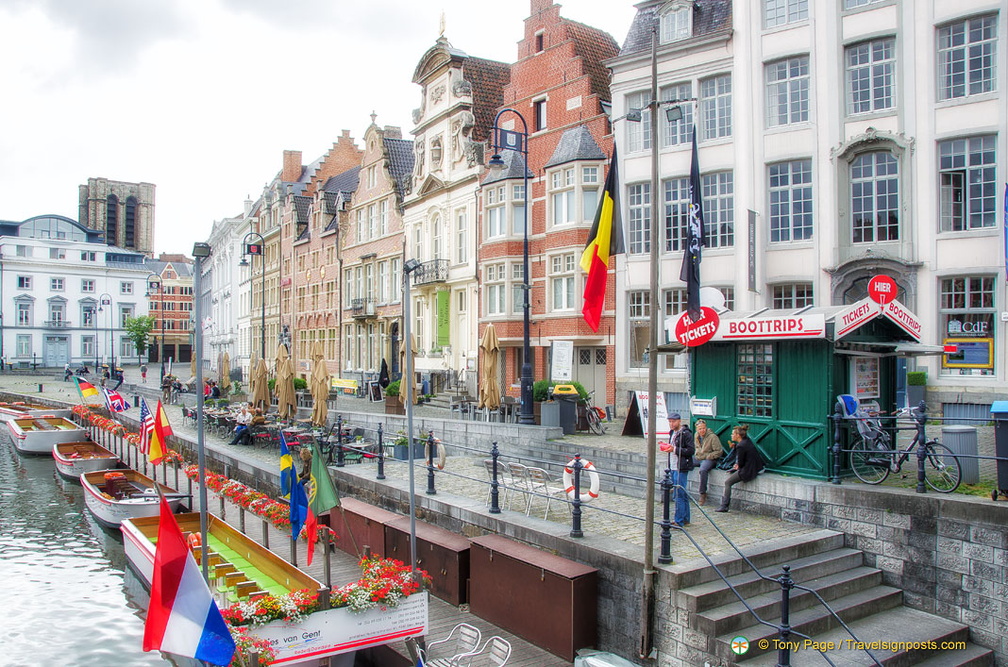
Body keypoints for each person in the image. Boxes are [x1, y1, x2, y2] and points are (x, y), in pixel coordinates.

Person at [716, 424, 765, 513]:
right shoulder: (746, 441)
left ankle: (724, 506)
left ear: (738, 435)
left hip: (749, 470)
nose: (731, 435)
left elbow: (741, 462)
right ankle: (724, 506)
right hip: (756, 466)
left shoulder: (741, 446)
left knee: (728, 482)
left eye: (733, 434)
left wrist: (737, 466)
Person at [659, 412, 694, 527]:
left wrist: (674, 449)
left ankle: (679, 520)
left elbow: (690, 451)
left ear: (679, 421)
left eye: (673, 421)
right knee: (681, 493)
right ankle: (685, 518)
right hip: (673, 466)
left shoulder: (686, 434)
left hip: (681, 466)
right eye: (669, 421)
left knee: (678, 494)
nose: (671, 424)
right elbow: (673, 446)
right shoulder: (672, 433)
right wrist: (665, 445)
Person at [693, 419, 723, 506]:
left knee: (703, 470)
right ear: (697, 430)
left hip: (709, 459)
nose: (702, 430)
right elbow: (697, 448)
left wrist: (708, 456)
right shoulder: (696, 436)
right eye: (700, 429)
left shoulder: (712, 437)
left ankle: (702, 493)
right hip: (699, 457)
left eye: (703, 428)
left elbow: (719, 451)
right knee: (683, 462)